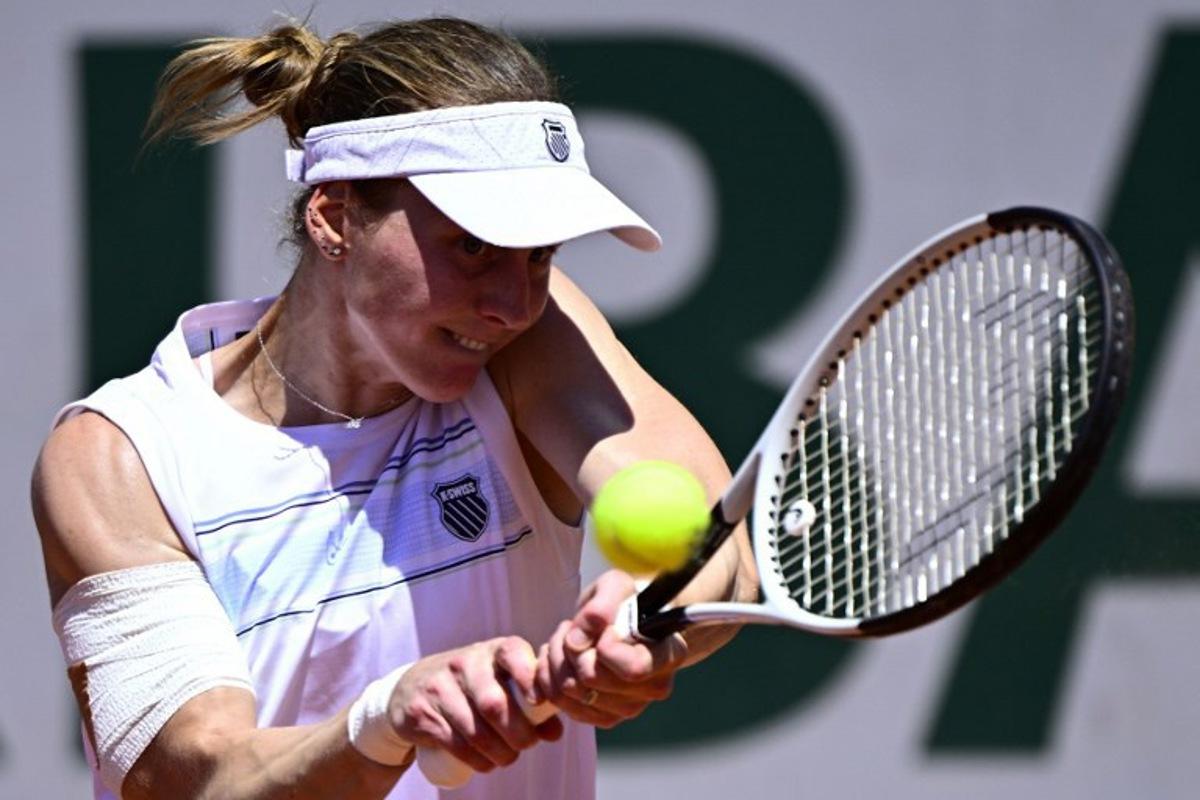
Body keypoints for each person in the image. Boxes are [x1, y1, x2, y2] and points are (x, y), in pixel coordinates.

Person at [32, 17, 757, 800]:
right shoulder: (125, 456)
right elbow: (183, 776)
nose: (513, 303)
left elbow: (717, 541)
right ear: (335, 217)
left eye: (541, 255)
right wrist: (385, 719)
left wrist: (646, 618)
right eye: (473, 246)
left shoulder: (530, 347)